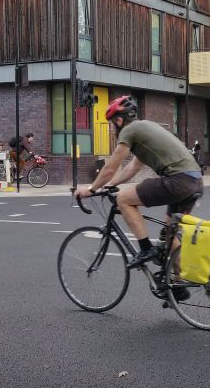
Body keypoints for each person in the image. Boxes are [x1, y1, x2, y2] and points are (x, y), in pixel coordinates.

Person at [77, 95, 203, 267]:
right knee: (169, 235)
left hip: (177, 181)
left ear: (119, 120)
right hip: (194, 182)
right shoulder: (146, 127)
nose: (112, 127)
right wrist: (109, 185)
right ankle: (177, 286)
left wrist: (91, 189)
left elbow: (110, 168)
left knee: (123, 200)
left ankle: (146, 249)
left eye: (111, 122)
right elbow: (133, 167)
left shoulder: (129, 130)